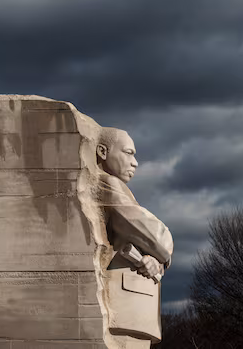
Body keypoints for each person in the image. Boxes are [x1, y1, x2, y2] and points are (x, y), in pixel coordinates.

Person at [95, 127, 173, 347]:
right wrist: (162, 251)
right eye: (128, 153)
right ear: (102, 151)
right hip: (125, 305)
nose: (135, 162)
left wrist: (157, 261)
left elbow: (151, 243)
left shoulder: (116, 188)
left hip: (133, 307)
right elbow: (156, 237)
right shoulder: (107, 184)